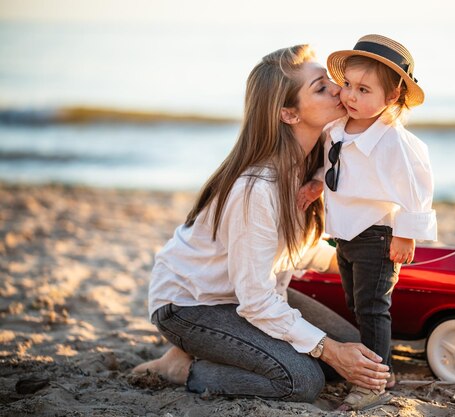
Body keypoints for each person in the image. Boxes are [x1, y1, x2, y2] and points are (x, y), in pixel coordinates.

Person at [131, 44, 391, 403]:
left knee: (354, 350)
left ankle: (224, 351)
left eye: (332, 81)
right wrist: (327, 349)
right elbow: (255, 300)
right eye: (321, 87)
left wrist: (370, 260)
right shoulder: (257, 188)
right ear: (289, 114)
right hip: (192, 303)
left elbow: (286, 249)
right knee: (302, 379)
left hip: (248, 290)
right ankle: (182, 367)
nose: (339, 89)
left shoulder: (315, 164)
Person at [297, 34, 437, 411]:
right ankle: (381, 367)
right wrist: (315, 183)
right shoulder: (338, 128)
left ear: (390, 98)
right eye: (347, 86)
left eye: (364, 90)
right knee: (356, 303)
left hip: (377, 235)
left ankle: (373, 382)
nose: (351, 96)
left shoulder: (393, 141)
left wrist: (406, 234)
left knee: (374, 307)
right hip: (344, 234)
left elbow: (417, 187)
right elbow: (335, 167)